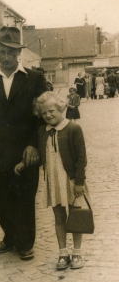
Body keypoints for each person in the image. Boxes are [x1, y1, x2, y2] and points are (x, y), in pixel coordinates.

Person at [0, 26, 46, 260]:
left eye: (11, 53)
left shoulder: (34, 78)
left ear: (19, 54)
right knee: (2, 198)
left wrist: (34, 144)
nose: (6, 57)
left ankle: (25, 242)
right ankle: (9, 236)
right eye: (2, 52)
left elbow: (43, 117)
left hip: (27, 153)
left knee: (25, 198)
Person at [34, 92, 90, 270]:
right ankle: (63, 253)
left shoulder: (73, 129)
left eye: (51, 111)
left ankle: (77, 253)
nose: (48, 115)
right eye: (44, 113)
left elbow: (81, 158)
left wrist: (80, 182)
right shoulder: (42, 132)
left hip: (72, 181)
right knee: (59, 216)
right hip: (54, 181)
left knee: (76, 216)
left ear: (61, 109)